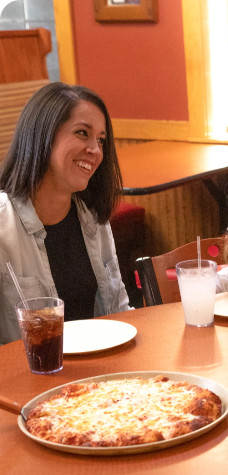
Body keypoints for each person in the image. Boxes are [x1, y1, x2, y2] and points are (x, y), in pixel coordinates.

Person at [0, 82, 131, 345]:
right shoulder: (3, 225)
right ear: (43, 135)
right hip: (26, 382)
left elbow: (121, 316)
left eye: (101, 140)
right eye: (82, 133)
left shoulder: (93, 219)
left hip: (101, 380)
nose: (95, 150)